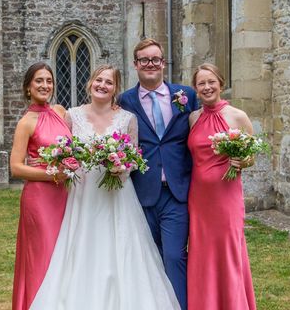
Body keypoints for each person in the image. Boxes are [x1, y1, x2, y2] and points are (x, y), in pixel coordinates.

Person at [30, 65, 180, 310]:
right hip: (84, 193)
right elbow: (64, 150)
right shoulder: (71, 115)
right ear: (89, 83)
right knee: (81, 246)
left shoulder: (127, 118)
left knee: (123, 247)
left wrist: (121, 168)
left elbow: (132, 159)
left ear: (115, 89)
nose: (102, 85)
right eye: (98, 80)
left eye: (108, 83)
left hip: (117, 194)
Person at [118, 39, 198, 310]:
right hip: (141, 193)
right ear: (135, 64)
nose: (150, 64)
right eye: (144, 60)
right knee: (146, 259)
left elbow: (202, 133)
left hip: (176, 192)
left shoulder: (186, 95)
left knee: (175, 256)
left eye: (155, 59)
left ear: (163, 63)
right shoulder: (124, 101)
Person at [187, 63, 257, 310]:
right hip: (199, 199)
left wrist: (242, 161)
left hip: (226, 198)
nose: (206, 87)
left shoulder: (238, 116)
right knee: (202, 254)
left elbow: (251, 156)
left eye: (211, 82)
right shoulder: (193, 118)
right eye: (201, 83)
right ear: (195, 89)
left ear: (221, 84)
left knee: (227, 253)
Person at [10, 63, 71, 310]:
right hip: (40, 199)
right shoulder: (26, 122)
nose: (45, 85)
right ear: (28, 87)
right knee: (44, 256)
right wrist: (52, 174)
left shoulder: (60, 111)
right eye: (39, 81)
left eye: (49, 80)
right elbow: (16, 167)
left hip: (65, 196)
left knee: (64, 255)